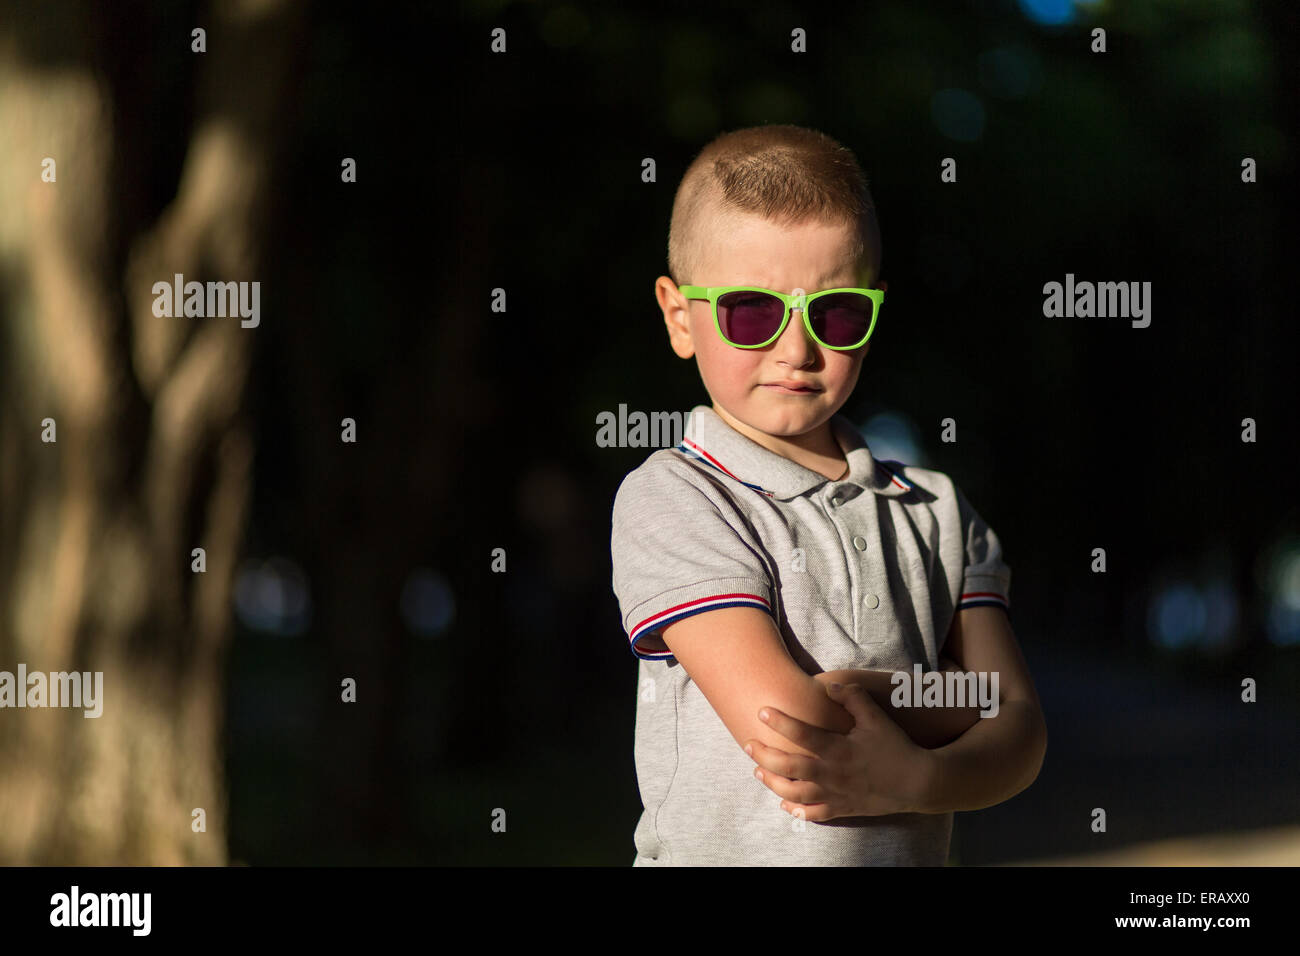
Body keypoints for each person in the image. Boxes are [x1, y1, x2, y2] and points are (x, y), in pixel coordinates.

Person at [610, 124, 1046, 865]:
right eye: (750, 311)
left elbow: (1023, 730)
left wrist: (920, 777)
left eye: (837, 312)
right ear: (680, 317)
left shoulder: (938, 511)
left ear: (872, 317)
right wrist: (958, 701)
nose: (797, 348)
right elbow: (790, 724)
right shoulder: (675, 496)